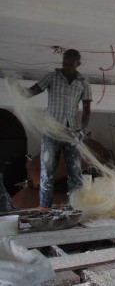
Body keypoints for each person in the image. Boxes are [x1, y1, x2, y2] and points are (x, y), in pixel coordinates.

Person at [26, 49, 92, 208]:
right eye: (65, 63)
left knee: (75, 175)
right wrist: (17, 91)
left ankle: (76, 208)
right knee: (47, 173)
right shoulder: (52, 77)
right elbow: (33, 91)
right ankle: (45, 208)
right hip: (51, 132)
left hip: (72, 134)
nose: (67, 67)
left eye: (71, 64)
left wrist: (82, 130)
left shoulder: (83, 83)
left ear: (78, 64)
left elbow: (87, 109)